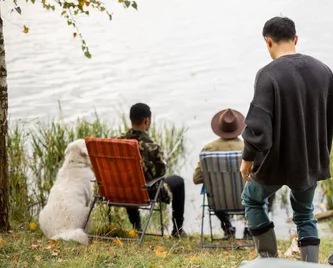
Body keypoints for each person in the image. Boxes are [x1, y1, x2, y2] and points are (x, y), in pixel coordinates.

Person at [240, 16, 333, 263]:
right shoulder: (323, 70)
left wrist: (247, 158)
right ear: (295, 39)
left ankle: (268, 260)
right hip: (309, 161)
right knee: (305, 213)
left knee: (251, 199)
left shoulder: (267, 75)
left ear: (268, 42)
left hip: (275, 163)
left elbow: (257, 127)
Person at [193, 108, 276, 239]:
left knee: (210, 189)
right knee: (270, 191)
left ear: (219, 128)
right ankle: (252, 227)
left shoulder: (207, 150)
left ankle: (227, 227)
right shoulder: (250, 149)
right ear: (239, 127)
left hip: (220, 203)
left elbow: (196, 179)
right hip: (249, 199)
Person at [118, 102, 187, 238]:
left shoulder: (118, 142)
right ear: (147, 120)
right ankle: (177, 230)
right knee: (178, 182)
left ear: (131, 119)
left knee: (128, 180)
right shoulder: (151, 147)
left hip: (121, 190)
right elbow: (161, 174)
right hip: (146, 192)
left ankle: (137, 226)